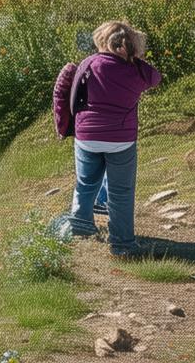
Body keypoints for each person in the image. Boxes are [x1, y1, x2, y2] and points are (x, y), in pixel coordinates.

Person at [61, 21, 163, 257]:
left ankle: (80, 224)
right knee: (121, 192)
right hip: (121, 139)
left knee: (86, 183)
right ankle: (122, 244)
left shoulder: (89, 63)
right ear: (132, 45)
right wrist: (134, 59)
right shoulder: (137, 71)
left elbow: (74, 92)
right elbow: (155, 78)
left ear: (101, 40)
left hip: (87, 135)